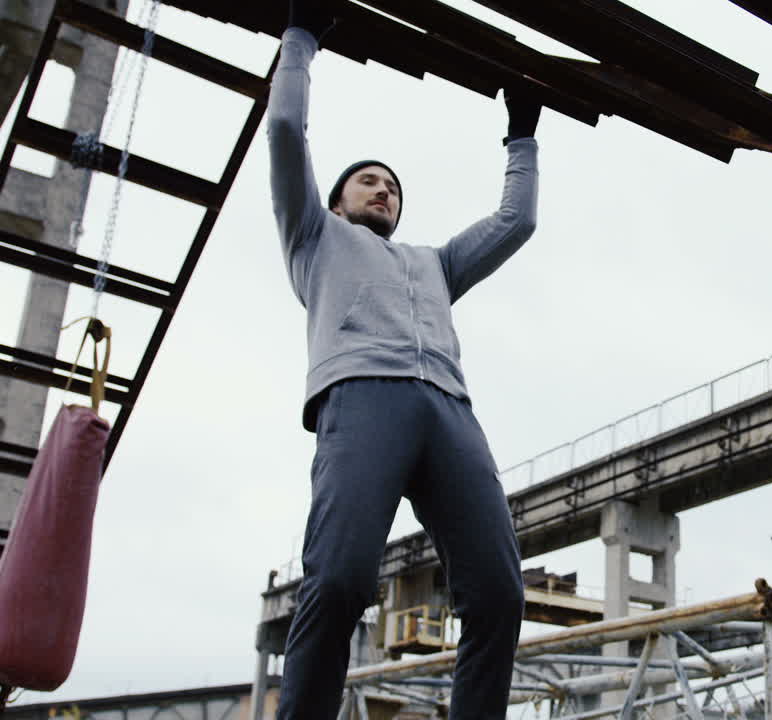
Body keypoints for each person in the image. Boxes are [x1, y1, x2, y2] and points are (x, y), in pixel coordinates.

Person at [266, 2, 542, 717]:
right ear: (334, 200)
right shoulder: (313, 236)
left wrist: (522, 137)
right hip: (363, 400)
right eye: (368, 181)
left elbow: (517, 222)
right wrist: (300, 36)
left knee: (499, 592)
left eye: (392, 185)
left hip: (450, 412)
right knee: (338, 581)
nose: (383, 189)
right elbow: (286, 129)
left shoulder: (436, 264)